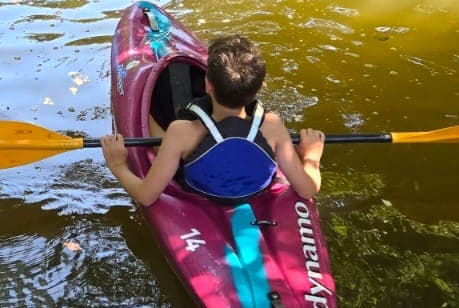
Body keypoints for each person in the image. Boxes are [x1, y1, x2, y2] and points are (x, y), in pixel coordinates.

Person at [101, 35, 326, 207]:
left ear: (207, 84)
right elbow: (308, 189)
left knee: (154, 116)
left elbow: (145, 196)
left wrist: (118, 165)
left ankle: (160, 138)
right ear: (258, 89)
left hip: (197, 191)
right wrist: (311, 156)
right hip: (254, 193)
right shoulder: (273, 126)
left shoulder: (181, 131)